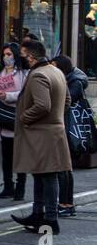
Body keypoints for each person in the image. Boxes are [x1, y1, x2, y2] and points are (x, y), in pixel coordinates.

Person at [9, 40, 71, 235]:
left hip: (41, 134)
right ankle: (38, 215)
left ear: (31, 56)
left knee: (47, 176)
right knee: (41, 174)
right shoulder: (56, 72)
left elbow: (42, 105)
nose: (21, 58)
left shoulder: (38, 75)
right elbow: (67, 100)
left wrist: (23, 118)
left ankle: (50, 219)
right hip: (52, 132)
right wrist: (56, 118)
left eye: (23, 54)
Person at [51, 54, 87, 218]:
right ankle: (65, 203)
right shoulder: (70, 78)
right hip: (65, 128)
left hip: (69, 130)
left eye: (54, 66)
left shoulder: (75, 82)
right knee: (64, 168)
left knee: (64, 168)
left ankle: (67, 203)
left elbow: (66, 101)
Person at [0, 42, 28, 201]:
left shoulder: (23, 74)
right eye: (4, 54)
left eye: (9, 54)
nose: (6, 57)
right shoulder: (0, 72)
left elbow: (25, 94)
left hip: (16, 118)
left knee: (19, 156)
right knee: (6, 156)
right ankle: (8, 186)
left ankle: (20, 187)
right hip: (2, 118)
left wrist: (8, 96)